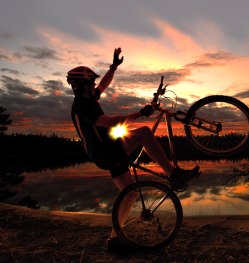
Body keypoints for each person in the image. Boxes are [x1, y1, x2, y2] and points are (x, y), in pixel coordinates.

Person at [67, 48, 200, 252]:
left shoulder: (88, 99)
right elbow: (107, 122)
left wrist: (113, 67)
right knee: (145, 133)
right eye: (90, 82)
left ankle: (114, 241)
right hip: (106, 152)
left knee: (129, 194)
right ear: (82, 86)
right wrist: (140, 113)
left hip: (104, 153)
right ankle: (174, 174)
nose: (94, 84)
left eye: (93, 81)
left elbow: (103, 84)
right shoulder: (83, 105)